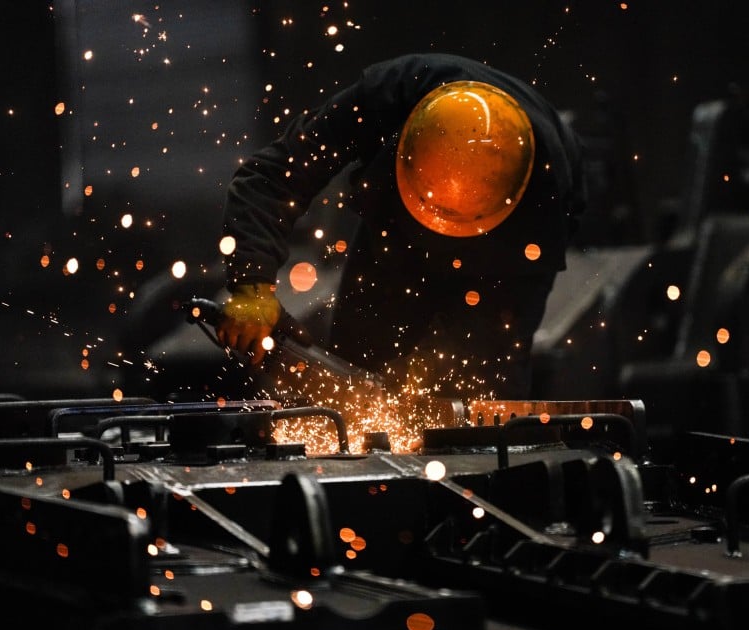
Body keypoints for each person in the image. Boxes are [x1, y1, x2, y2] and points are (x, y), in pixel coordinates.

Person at [216, 53, 586, 401]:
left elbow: (496, 323)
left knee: (478, 395)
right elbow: (271, 177)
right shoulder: (388, 97)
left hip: (494, 266)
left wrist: (427, 372)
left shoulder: (545, 192)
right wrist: (253, 284)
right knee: (357, 375)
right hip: (394, 241)